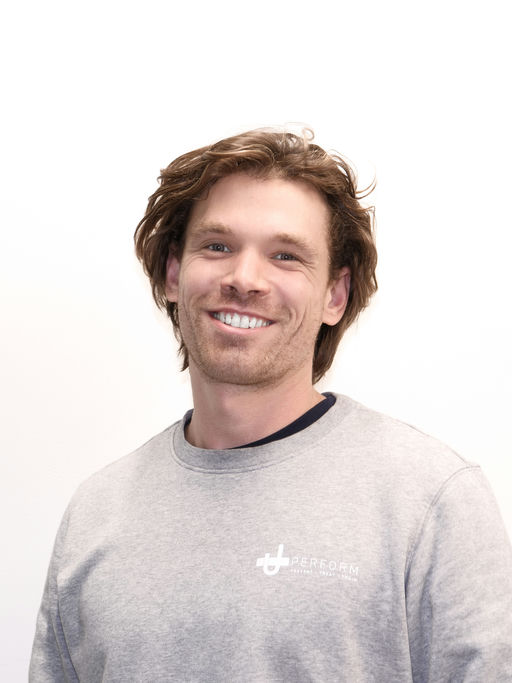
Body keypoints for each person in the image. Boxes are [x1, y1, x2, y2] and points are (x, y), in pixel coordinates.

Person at [30, 128, 512, 682]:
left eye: (286, 256)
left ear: (335, 295)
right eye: (217, 246)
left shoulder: (430, 499)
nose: (244, 278)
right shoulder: (97, 512)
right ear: (172, 273)